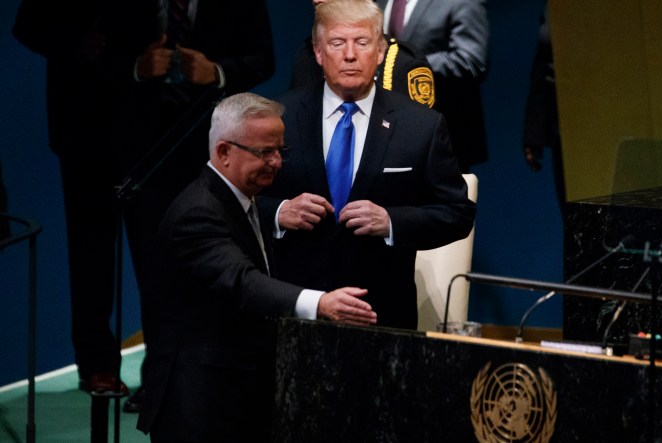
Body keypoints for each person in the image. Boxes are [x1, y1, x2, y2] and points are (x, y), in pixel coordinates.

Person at [13, 0, 277, 411]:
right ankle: (98, 366)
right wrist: (131, 66)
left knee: (167, 261)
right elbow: (41, 27)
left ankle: (163, 374)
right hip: (95, 131)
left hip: (180, 139)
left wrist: (215, 72)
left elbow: (261, 55)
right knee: (92, 254)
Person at [136, 92, 377, 442]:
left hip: (238, 390)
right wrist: (320, 303)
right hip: (200, 403)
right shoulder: (197, 212)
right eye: (264, 152)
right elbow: (241, 281)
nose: (277, 162)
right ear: (223, 152)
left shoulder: (244, 201)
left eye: (280, 150)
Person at [260, 0, 476, 331]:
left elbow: (457, 213)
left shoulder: (421, 126)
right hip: (294, 313)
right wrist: (279, 213)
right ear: (318, 53)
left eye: (361, 43)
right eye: (337, 43)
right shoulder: (278, 117)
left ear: (379, 51)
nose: (350, 54)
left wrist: (391, 221)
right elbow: (233, 202)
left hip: (383, 315)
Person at [376, 0, 490, 172]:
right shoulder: (377, 3)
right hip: (383, 133)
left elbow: (472, 61)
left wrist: (407, 65)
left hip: (443, 134)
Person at [291, 0, 436, 108]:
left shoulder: (402, 64)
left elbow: (416, 136)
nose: (317, 0)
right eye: (337, 44)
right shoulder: (306, 55)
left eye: (361, 43)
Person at [523, 7, 565, 216]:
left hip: (611, 122)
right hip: (565, 128)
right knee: (574, 220)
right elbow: (545, 63)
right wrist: (534, 128)